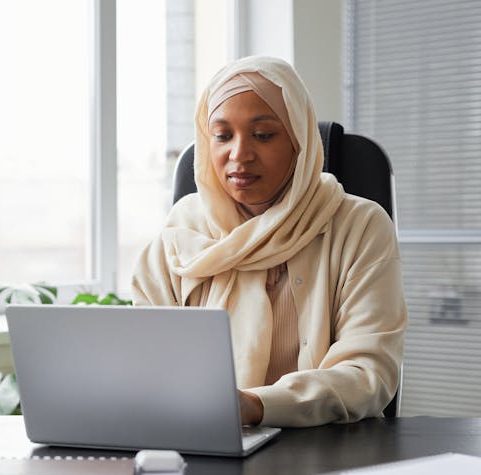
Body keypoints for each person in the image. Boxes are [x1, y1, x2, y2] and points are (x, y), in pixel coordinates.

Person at [132, 56, 407, 428]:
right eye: (222, 135)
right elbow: (146, 367)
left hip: (321, 447)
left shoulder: (360, 227)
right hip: (200, 443)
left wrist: (256, 406)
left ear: (299, 140)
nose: (239, 155)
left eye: (263, 135)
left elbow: (367, 374)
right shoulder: (179, 237)